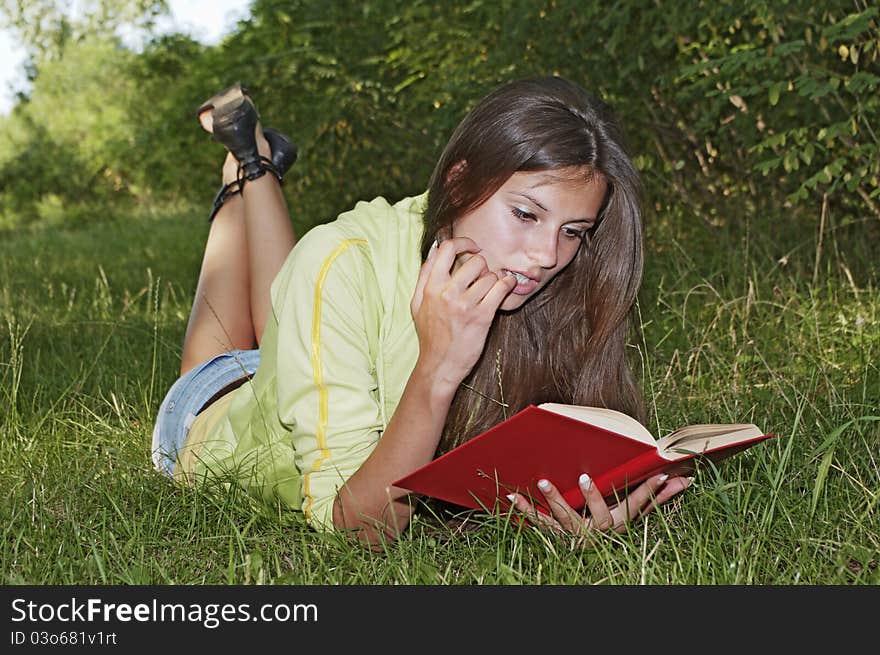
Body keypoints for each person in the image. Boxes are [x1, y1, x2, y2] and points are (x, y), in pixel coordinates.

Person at [152, 76, 692, 545]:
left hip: (302, 357)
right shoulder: (342, 260)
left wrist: (577, 504)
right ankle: (245, 168)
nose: (547, 256)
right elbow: (354, 532)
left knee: (285, 314)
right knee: (234, 339)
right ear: (458, 181)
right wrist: (437, 369)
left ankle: (253, 163)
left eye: (572, 231)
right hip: (213, 407)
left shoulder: (552, 277)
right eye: (526, 214)